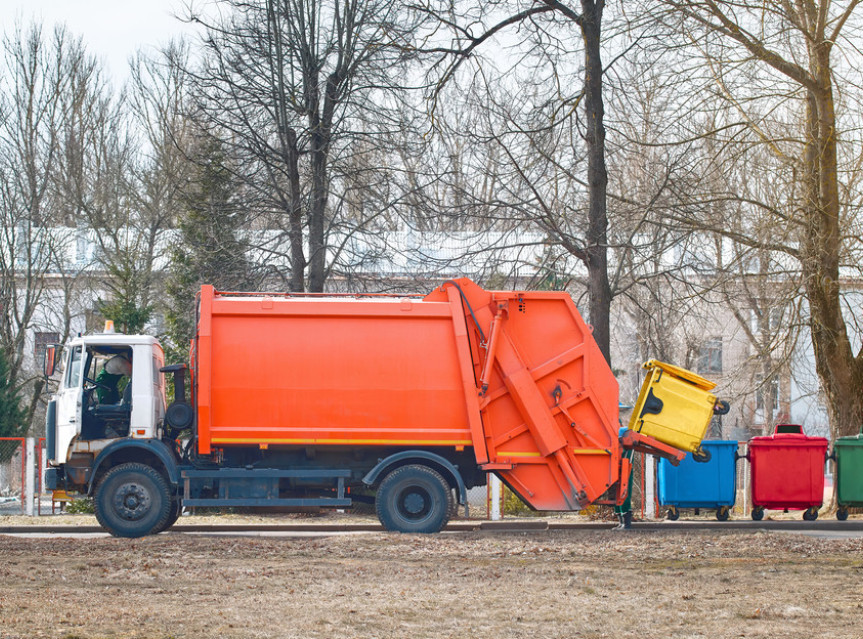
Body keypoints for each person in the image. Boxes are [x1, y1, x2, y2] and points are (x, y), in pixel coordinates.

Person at [614, 426, 634, 530]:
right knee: (619, 496)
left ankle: (626, 524)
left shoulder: (627, 448)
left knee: (624, 495)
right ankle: (622, 523)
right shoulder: (624, 445)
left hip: (625, 471)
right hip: (620, 471)